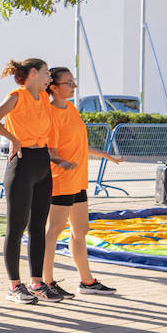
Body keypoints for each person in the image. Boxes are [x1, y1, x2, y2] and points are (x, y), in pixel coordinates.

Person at [0, 58, 76, 304]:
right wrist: (13, 139)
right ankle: (15, 286)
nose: (49, 78)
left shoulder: (44, 99)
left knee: (38, 227)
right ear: (33, 73)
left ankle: (37, 283)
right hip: (22, 164)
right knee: (16, 228)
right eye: (46, 73)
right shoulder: (17, 96)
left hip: (42, 163)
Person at [41, 67, 122, 296]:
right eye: (68, 83)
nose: (74, 86)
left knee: (80, 230)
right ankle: (46, 282)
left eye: (73, 81)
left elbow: (78, 144)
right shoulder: (50, 113)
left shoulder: (71, 109)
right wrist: (64, 163)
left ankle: (87, 282)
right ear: (54, 87)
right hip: (61, 180)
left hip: (78, 180)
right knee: (53, 231)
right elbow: (51, 151)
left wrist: (106, 156)